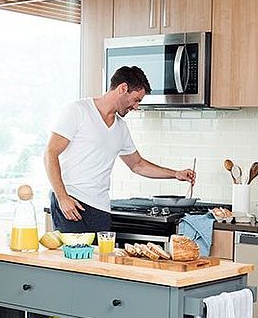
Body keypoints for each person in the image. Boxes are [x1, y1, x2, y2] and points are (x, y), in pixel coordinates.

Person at [44, 66, 195, 233]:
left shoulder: (121, 127)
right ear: (123, 88)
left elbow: (137, 164)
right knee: (75, 251)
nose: (136, 107)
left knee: (102, 252)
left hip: (100, 209)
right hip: (72, 203)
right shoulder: (78, 110)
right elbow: (50, 153)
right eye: (136, 100)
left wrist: (175, 174)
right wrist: (62, 197)